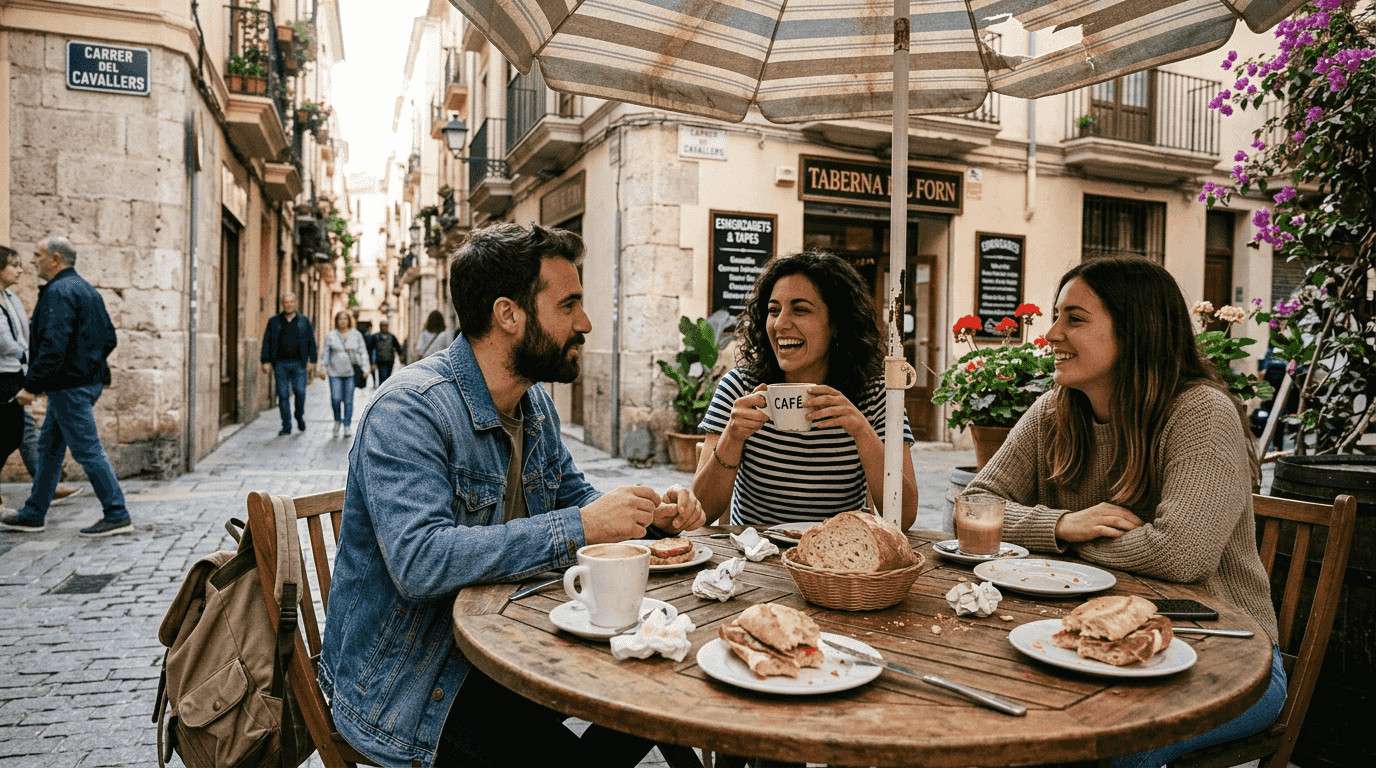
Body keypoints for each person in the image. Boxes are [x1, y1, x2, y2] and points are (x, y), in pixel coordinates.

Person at [319, 223, 705, 768]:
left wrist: (648, 518)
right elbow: (420, 561)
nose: (585, 322)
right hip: (416, 683)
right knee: (650, 701)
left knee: (669, 684)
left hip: (509, 645)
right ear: (508, 314)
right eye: (569, 304)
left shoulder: (531, 402)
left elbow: (575, 497)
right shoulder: (409, 411)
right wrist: (583, 527)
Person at [959, 257, 1286, 768]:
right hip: (1091, 645)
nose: (1051, 334)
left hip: (1227, 657)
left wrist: (1074, 542)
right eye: (1055, 315)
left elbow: (1181, 554)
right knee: (987, 712)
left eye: (1075, 318)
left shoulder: (1200, 413)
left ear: (1136, 331)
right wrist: (1061, 525)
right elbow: (969, 508)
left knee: (1108, 748)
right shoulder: (1055, 409)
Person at [694, 251, 918, 531]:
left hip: (838, 556)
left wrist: (861, 430)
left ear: (836, 324)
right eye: (774, 310)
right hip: (757, 555)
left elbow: (904, 517)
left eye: (800, 310)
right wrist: (732, 437)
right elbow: (701, 511)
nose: (780, 324)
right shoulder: (739, 389)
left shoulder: (875, 394)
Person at [0, 237, 130, 537]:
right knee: (49, 447)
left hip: (70, 387)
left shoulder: (59, 292)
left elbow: (52, 346)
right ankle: (34, 512)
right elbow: (109, 338)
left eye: (37, 255)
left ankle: (116, 512)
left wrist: (32, 386)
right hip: (81, 383)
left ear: (55, 259)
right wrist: (88, 367)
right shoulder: (84, 288)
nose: (33, 262)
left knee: (87, 449)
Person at [259, 291, 317, 435]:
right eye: (286, 302)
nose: (289, 304)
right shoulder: (274, 321)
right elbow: (266, 341)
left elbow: (311, 342)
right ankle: (286, 425)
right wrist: (265, 361)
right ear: (282, 304)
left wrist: (313, 361)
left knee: (300, 392)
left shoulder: (304, 320)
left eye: (291, 302)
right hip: (280, 364)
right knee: (283, 395)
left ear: (295, 303)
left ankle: (299, 415)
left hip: (299, 364)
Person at [321, 310, 368, 437]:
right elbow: (325, 352)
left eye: (345, 319)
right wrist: (322, 367)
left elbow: (363, 352)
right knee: (335, 399)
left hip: (350, 373)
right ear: (336, 321)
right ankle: (337, 421)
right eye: (340, 319)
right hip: (334, 372)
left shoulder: (356, 335)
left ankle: (347, 425)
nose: (343, 321)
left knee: (348, 401)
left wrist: (366, 368)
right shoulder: (331, 335)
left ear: (349, 321)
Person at [370, 318, 404, 386]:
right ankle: (382, 390)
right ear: (380, 327)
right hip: (380, 360)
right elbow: (371, 349)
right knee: (383, 376)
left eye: (386, 325)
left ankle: (384, 388)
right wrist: (372, 362)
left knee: (388, 377)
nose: (384, 327)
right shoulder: (375, 337)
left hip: (390, 360)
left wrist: (400, 355)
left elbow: (397, 346)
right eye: (383, 325)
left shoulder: (391, 336)